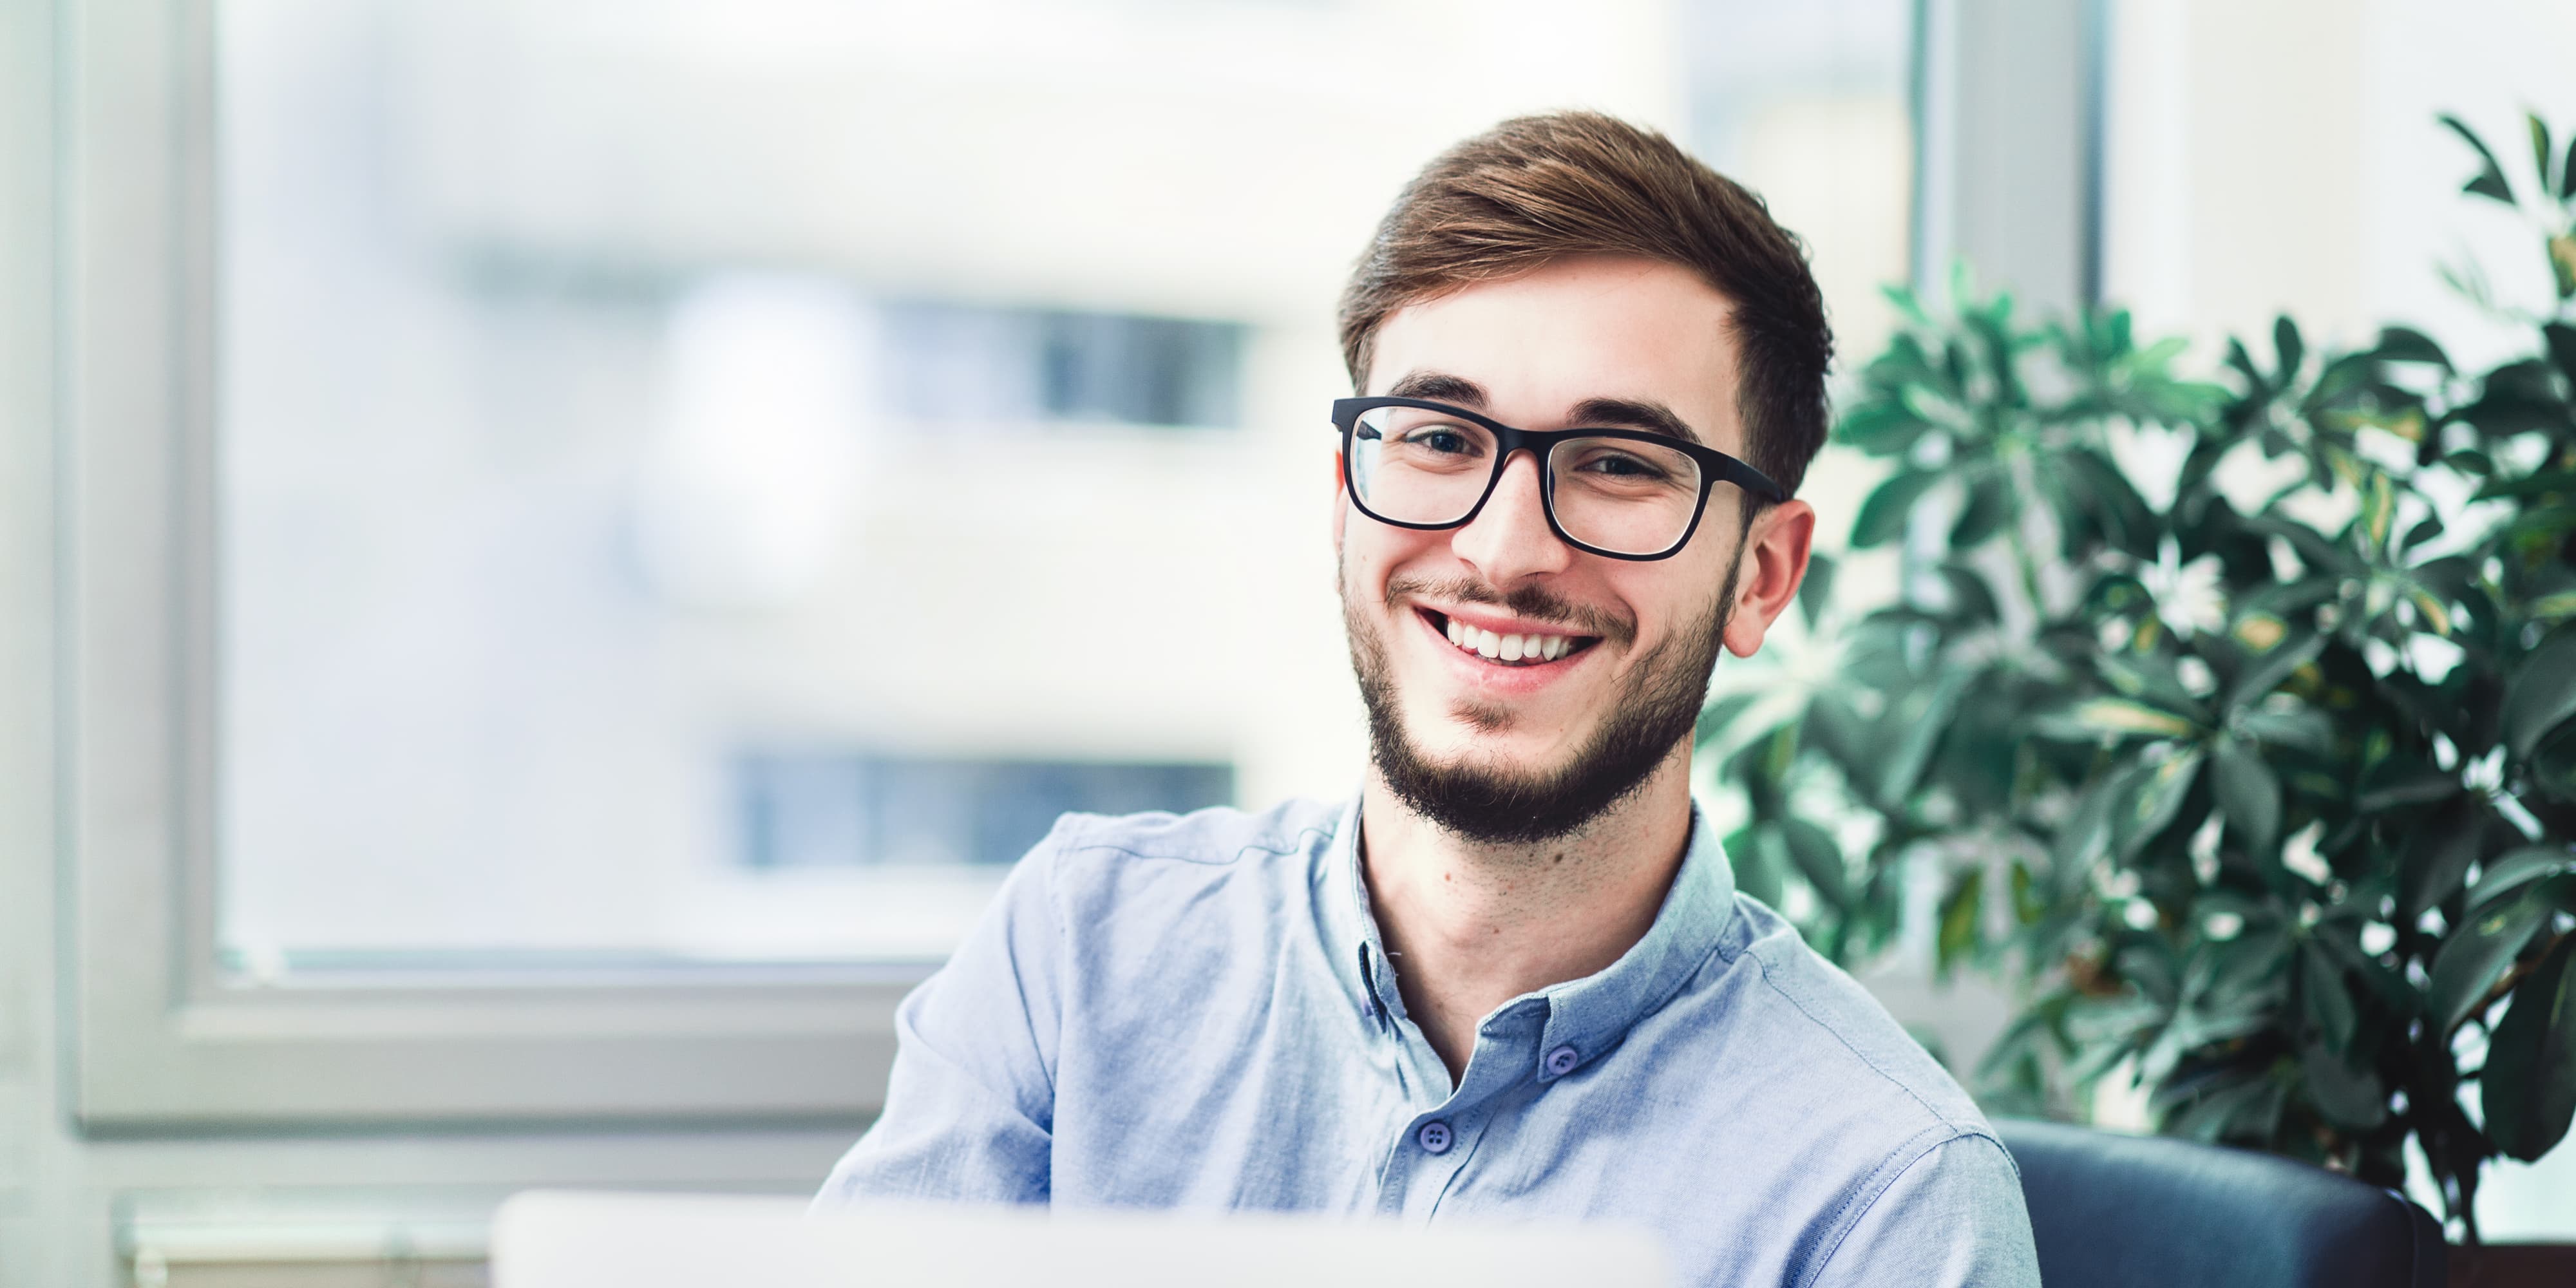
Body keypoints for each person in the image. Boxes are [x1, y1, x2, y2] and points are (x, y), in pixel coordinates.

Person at [816, 111, 2041, 1287]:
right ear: (1348, 496)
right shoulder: (1079, 957)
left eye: (1617, 464)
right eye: (1440, 440)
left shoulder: (1887, 1197)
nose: (1506, 553)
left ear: (1762, 575)